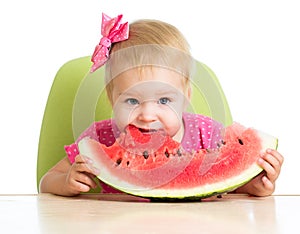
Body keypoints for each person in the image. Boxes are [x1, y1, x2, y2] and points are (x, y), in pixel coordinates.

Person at [39, 13, 284, 197]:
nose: (147, 115)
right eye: (132, 100)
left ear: (186, 96)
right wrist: (66, 182)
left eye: (164, 100)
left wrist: (255, 184)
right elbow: (47, 180)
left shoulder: (206, 135)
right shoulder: (100, 139)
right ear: (112, 98)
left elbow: (232, 190)